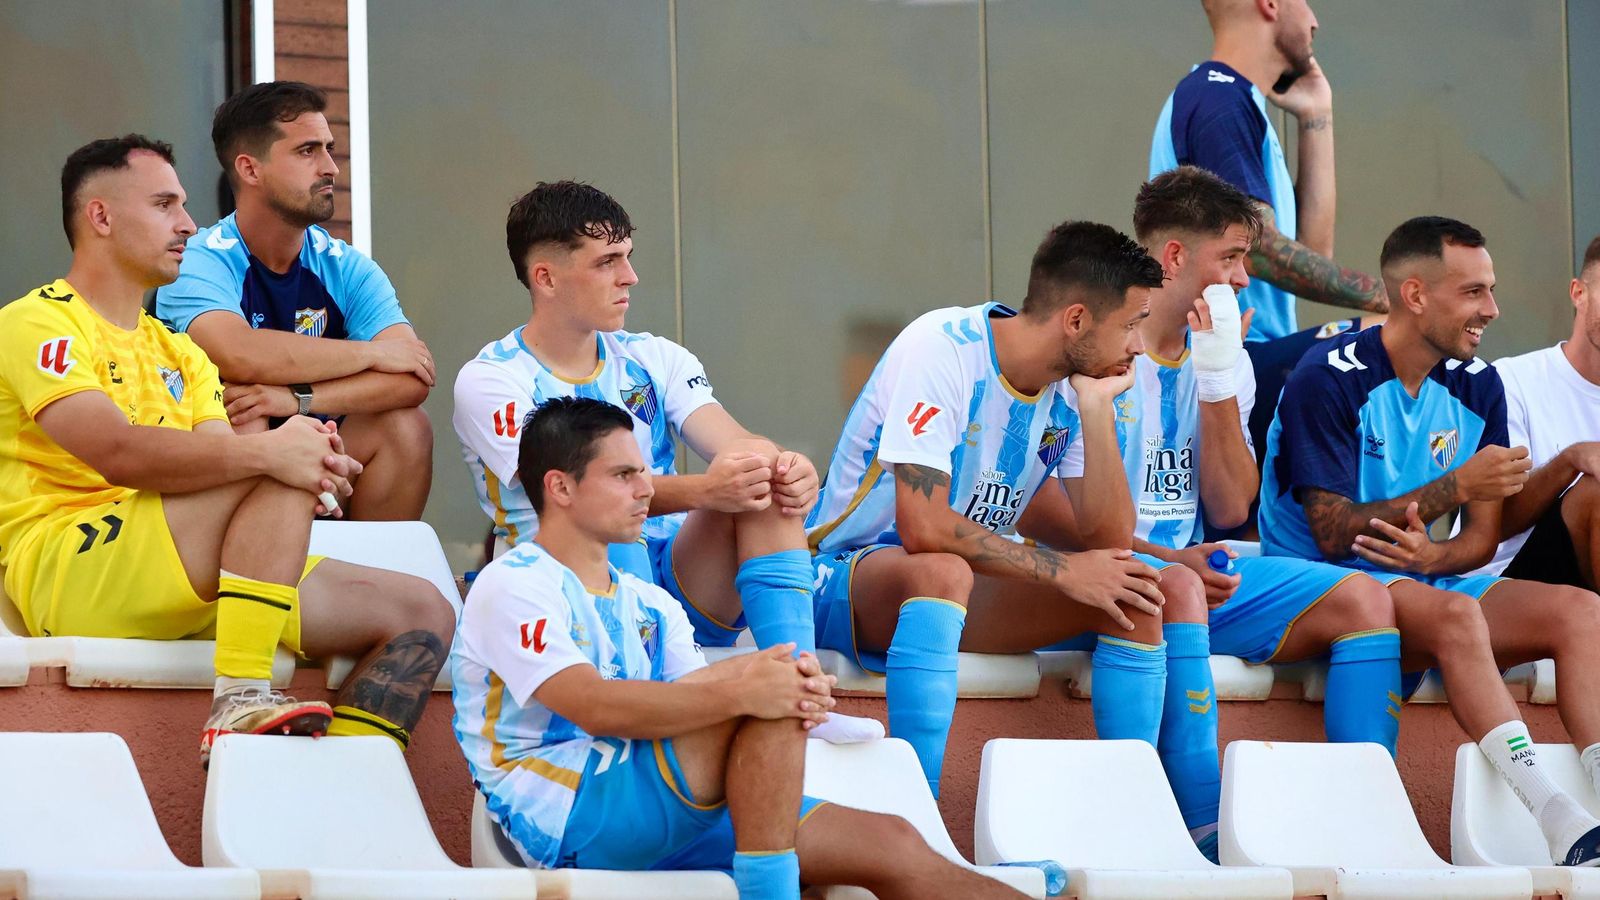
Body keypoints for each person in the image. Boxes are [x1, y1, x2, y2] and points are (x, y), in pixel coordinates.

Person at [450, 397, 1023, 900]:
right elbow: (594, 707)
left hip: (664, 801)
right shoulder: (515, 583)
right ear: (561, 487)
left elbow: (690, 695)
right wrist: (758, 684)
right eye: (623, 474)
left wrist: (770, 678)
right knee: (765, 688)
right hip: (565, 817)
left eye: (644, 471)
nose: (647, 488)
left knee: (891, 844)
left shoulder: (649, 601)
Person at [0, 135, 455, 765]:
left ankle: (344, 785)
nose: (187, 224)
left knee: (421, 611)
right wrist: (289, 453)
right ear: (100, 217)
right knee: (279, 456)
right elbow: (117, 451)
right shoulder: (37, 321)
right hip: (71, 565)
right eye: (164, 205)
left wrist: (310, 450)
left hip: (178, 564)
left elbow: (219, 458)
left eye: (184, 205)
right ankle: (240, 697)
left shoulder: (181, 351)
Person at [1022, 168, 1402, 856]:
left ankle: (1369, 822)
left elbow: (1230, 505)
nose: (1245, 279)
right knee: (1179, 585)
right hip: (1111, 578)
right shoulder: (1088, 345)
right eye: (1230, 258)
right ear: (1175, 259)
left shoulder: (1227, 359)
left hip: (1194, 581)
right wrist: (1171, 559)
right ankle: (1201, 826)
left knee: (1366, 603)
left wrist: (1220, 378)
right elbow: (1040, 505)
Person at [805, 221, 1219, 837]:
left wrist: (1099, 409)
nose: (1139, 345)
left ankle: (1161, 832)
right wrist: (1060, 569)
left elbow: (1105, 541)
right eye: (1131, 324)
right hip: (845, 576)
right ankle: (918, 829)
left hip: (963, 588)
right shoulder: (943, 346)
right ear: (1076, 320)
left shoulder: (1075, 385)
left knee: (1146, 591)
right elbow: (922, 527)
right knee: (941, 570)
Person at [453, 180, 878, 743]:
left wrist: (782, 465)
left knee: (761, 481)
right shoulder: (491, 379)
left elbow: (737, 445)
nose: (629, 277)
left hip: (677, 576)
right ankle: (664, 696)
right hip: (571, 589)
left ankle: (800, 693)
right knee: (612, 522)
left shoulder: (654, 357)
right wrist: (707, 490)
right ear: (546, 278)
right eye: (607, 262)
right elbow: (577, 495)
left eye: (627, 258)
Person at [1261, 215, 1600, 866]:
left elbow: (1481, 542)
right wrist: (1451, 489)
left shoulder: (1477, 385)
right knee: (1453, 613)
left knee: (1579, 612)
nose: (1492, 310)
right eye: (1473, 292)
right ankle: (1557, 819)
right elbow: (1329, 534)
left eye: (1491, 290)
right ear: (1415, 295)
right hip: (1317, 583)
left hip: (1413, 582)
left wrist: (1433, 555)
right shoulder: (1328, 375)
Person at [155, 81, 433, 521]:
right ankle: (251, 576)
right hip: (219, 484)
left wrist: (297, 399)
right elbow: (238, 354)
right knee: (239, 410)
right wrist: (374, 353)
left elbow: (413, 380)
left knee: (405, 427)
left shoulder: (347, 266)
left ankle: (369, 576)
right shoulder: (198, 258)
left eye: (329, 148)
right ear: (250, 169)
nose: (331, 168)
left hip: (325, 460)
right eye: (308, 151)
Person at [1149, 0, 1388, 464]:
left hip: (1250, 356)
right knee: (1394, 331)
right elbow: (1261, 252)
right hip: (1226, 362)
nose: (1315, 19)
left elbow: (1310, 253)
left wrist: (1317, 117)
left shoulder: (1231, 99)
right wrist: (1395, 297)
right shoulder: (1218, 98)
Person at [1463, 235, 1600, 590]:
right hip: (1506, 577)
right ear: (1578, 293)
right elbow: (1495, 526)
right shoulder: (1510, 381)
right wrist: (1571, 460)